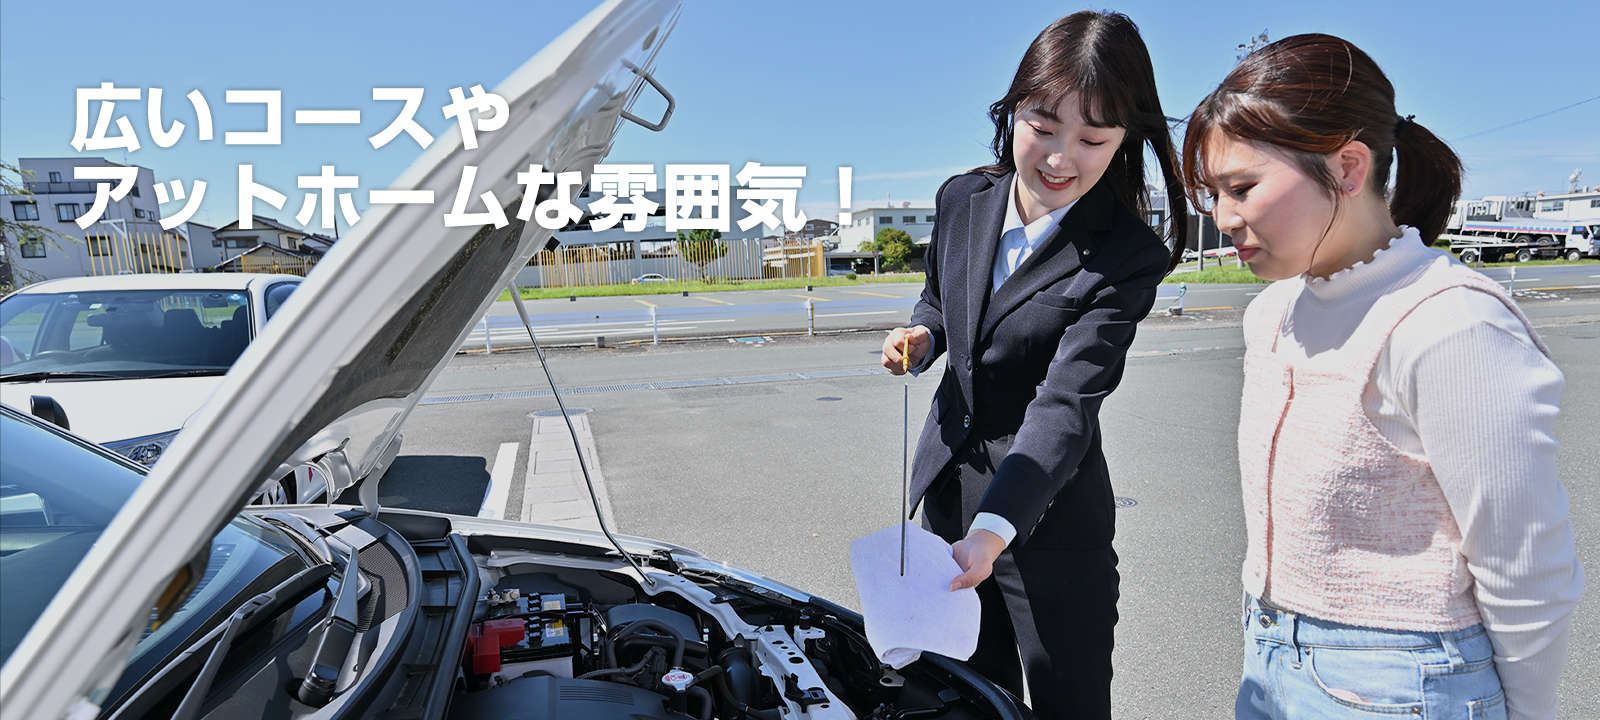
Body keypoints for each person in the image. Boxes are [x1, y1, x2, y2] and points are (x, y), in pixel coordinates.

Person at [1181, 34, 1584, 720]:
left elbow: (1524, 566)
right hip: (1269, 652)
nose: (1223, 220)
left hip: (1406, 682)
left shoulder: (1451, 323)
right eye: (1211, 194)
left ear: (1347, 167)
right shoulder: (1275, 310)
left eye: (1241, 188)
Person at [880, 11, 1189, 719]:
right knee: (966, 699)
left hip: (1050, 525)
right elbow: (939, 298)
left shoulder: (1126, 255)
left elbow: (1066, 405)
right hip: (949, 503)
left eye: (1092, 138)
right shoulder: (963, 199)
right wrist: (922, 338)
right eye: (1042, 126)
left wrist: (993, 531)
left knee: (1066, 704)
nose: (1059, 157)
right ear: (1013, 110)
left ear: (1125, 140)